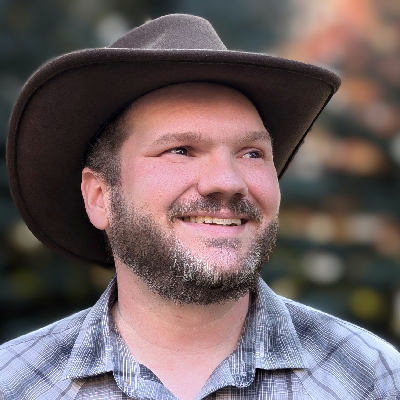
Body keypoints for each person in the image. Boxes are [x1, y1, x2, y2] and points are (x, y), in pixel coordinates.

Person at [0, 13, 399, 400]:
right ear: (99, 196)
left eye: (252, 153)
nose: (227, 181)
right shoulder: (13, 385)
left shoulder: (374, 381)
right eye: (181, 150)